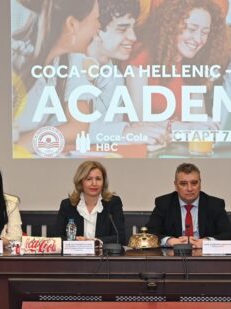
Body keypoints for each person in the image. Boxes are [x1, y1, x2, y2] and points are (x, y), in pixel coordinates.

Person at [126, 0, 231, 137]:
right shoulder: (142, 54)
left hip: (173, 145)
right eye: (191, 29)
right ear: (172, 25)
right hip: (140, 146)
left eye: (205, 32)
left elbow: (196, 119)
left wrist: (207, 125)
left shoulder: (194, 64)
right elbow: (138, 120)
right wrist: (179, 127)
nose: (198, 39)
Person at [12, 0, 101, 151]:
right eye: (96, 20)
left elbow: (78, 127)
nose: (99, 28)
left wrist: (22, 145)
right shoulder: (15, 57)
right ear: (72, 24)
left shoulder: (69, 61)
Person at [85, 0, 167, 146]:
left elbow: (106, 136)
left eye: (133, 28)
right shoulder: (64, 67)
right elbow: (60, 130)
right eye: (122, 29)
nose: (133, 37)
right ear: (96, 32)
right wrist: (125, 132)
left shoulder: (115, 78)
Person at [146, 163, 231, 248]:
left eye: (194, 183)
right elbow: (150, 233)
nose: (189, 188)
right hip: (173, 254)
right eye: (183, 184)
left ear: (200, 184)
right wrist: (169, 241)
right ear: (176, 185)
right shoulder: (164, 203)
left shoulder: (214, 204)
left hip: (204, 254)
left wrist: (207, 242)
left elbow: (229, 235)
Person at [54, 160, 126, 244]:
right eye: (89, 179)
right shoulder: (67, 205)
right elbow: (57, 238)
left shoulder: (113, 203)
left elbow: (120, 237)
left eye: (98, 179)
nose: (94, 183)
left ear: (103, 182)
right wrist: (75, 241)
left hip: (103, 252)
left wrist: (94, 242)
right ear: (80, 181)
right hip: (76, 252)